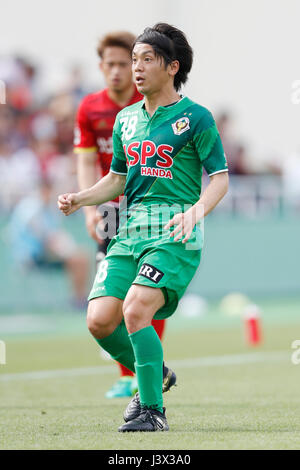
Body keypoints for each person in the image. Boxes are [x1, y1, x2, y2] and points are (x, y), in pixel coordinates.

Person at [58, 23, 229, 432]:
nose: (137, 68)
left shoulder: (196, 118)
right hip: (129, 230)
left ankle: (152, 411)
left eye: (146, 59)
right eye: (134, 59)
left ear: (171, 67)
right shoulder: (125, 120)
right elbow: (117, 180)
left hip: (174, 232)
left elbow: (220, 177)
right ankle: (156, 372)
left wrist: (196, 212)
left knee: (135, 310)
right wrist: (82, 197)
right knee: (99, 319)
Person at [73, 31, 167, 398]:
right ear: (101, 67)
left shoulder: (152, 104)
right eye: (108, 64)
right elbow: (84, 162)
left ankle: (144, 369)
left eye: (122, 64)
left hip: (148, 207)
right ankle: (128, 372)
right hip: (110, 208)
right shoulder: (89, 109)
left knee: (146, 289)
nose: (115, 71)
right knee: (109, 294)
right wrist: (87, 206)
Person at [10, 178, 89, 308]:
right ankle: (78, 300)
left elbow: (55, 235)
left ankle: (78, 298)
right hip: (32, 256)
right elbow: (46, 238)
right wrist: (67, 251)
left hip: (43, 254)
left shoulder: (47, 209)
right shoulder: (31, 208)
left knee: (80, 258)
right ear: (43, 190)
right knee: (78, 260)